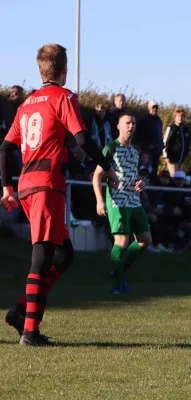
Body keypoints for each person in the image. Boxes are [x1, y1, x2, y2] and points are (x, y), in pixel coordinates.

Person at [0, 44, 119, 346]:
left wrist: (7, 188)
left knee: (64, 255)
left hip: (27, 184)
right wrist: (107, 166)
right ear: (65, 71)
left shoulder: (26, 104)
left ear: (41, 70)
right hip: (46, 184)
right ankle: (30, 331)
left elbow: (5, 148)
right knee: (41, 257)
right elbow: (82, 138)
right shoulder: (63, 97)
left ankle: (20, 312)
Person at [93, 112, 152, 294]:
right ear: (118, 126)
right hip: (118, 200)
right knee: (122, 240)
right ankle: (118, 284)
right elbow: (97, 175)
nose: (131, 126)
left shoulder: (135, 151)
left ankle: (117, 271)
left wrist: (142, 183)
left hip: (134, 200)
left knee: (145, 240)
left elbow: (135, 175)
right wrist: (100, 200)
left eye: (133, 123)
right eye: (127, 123)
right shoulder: (110, 148)